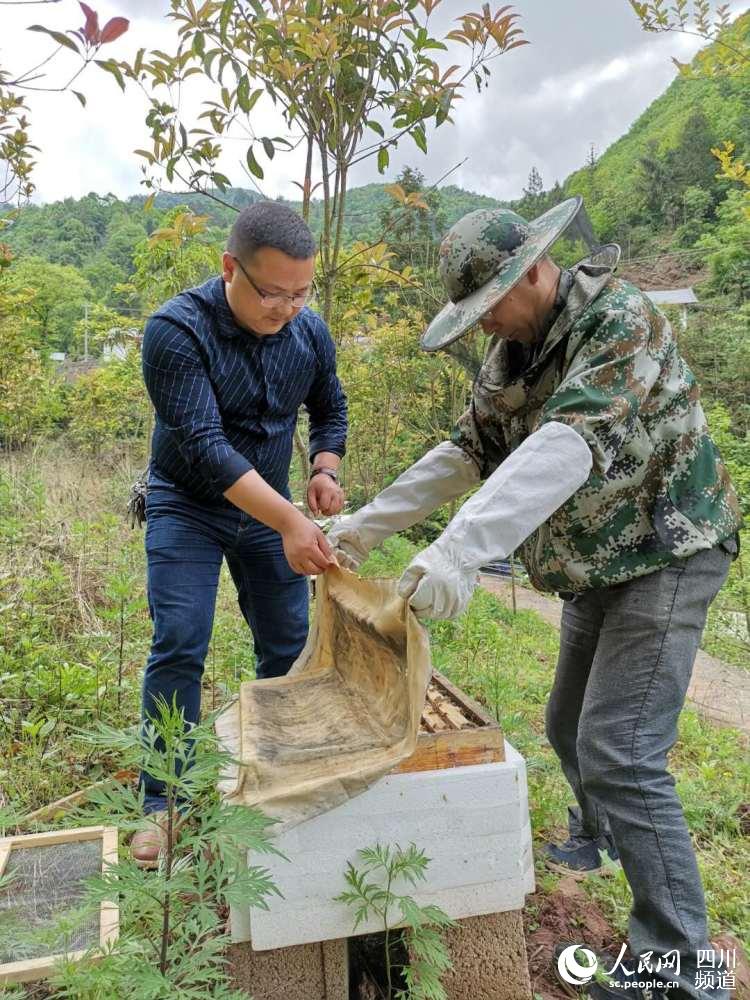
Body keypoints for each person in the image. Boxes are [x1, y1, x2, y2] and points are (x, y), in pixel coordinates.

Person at [328, 197, 742, 1000]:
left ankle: (683, 962)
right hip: (599, 563)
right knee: (565, 725)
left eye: (490, 307)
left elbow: (565, 447)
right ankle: (604, 840)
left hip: (668, 549)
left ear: (534, 271)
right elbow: (468, 450)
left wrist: (459, 550)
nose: (483, 326)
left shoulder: (620, 320)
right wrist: (367, 529)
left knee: (620, 749)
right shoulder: (511, 354)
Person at [131, 201, 347, 865]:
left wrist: (322, 467)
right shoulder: (175, 331)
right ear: (230, 268)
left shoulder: (308, 333)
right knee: (180, 640)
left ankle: (274, 772)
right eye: (272, 292)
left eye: (300, 292)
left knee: (286, 642)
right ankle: (163, 801)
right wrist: (288, 519)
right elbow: (201, 445)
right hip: (187, 506)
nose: (286, 307)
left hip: (272, 506)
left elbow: (329, 404)